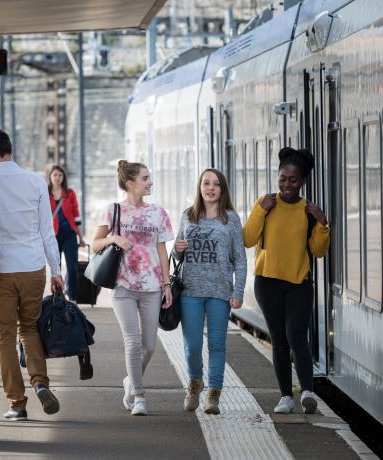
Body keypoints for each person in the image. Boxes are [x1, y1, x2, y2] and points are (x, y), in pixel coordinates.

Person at [0, 129, 65, 422]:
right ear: (11, 150)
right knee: (31, 328)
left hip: (2, 267)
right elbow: (47, 232)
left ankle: (16, 402)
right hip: (34, 266)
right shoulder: (36, 182)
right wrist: (57, 272)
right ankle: (40, 383)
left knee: (5, 336)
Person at [243, 147, 330, 414]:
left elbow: (318, 251)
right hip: (267, 283)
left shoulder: (308, 210)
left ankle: (306, 391)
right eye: (283, 178)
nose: (287, 184)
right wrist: (260, 210)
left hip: (299, 284)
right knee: (279, 340)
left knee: (297, 337)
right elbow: (247, 239)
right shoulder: (266, 204)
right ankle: (285, 396)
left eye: (293, 180)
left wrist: (323, 223)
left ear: (302, 181)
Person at [91, 160, 173, 416]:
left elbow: (162, 250)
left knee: (150, 345)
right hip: (123, 286)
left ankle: (130, 380)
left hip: (151, 287)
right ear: (131, 183)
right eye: (146, 178)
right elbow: (94, 245)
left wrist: (166, 284)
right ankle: (139, 395)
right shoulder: (114, 210)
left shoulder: (158, 213)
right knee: (133, 342)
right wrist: (113, 238)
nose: (150, 182)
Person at [172, 169, 247, 415]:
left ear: (223, 189)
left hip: (220, 293)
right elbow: (176, 255)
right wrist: (178, 249)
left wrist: (238, 291)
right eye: (206, 183)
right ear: (200, 187)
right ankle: (195, 383)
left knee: (217, 344)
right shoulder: (188, 215)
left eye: (216, 184)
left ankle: (214, 393)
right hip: (190, 291)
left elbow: (240, 260)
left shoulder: (231, 219)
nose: (211, 188)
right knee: (192, 345)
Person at [47, 165, 85, 301]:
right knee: (55, 268)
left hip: (69, 234)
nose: (57, 177)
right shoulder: (45, 193)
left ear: (63, 177)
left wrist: (81, 237)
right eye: (55, 175)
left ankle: (72, 297)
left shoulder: (69, 193)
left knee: (72, 267)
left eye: (60, 175)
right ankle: (58, 297)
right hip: (52, 236)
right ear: (50, 176)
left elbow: (77, 216)